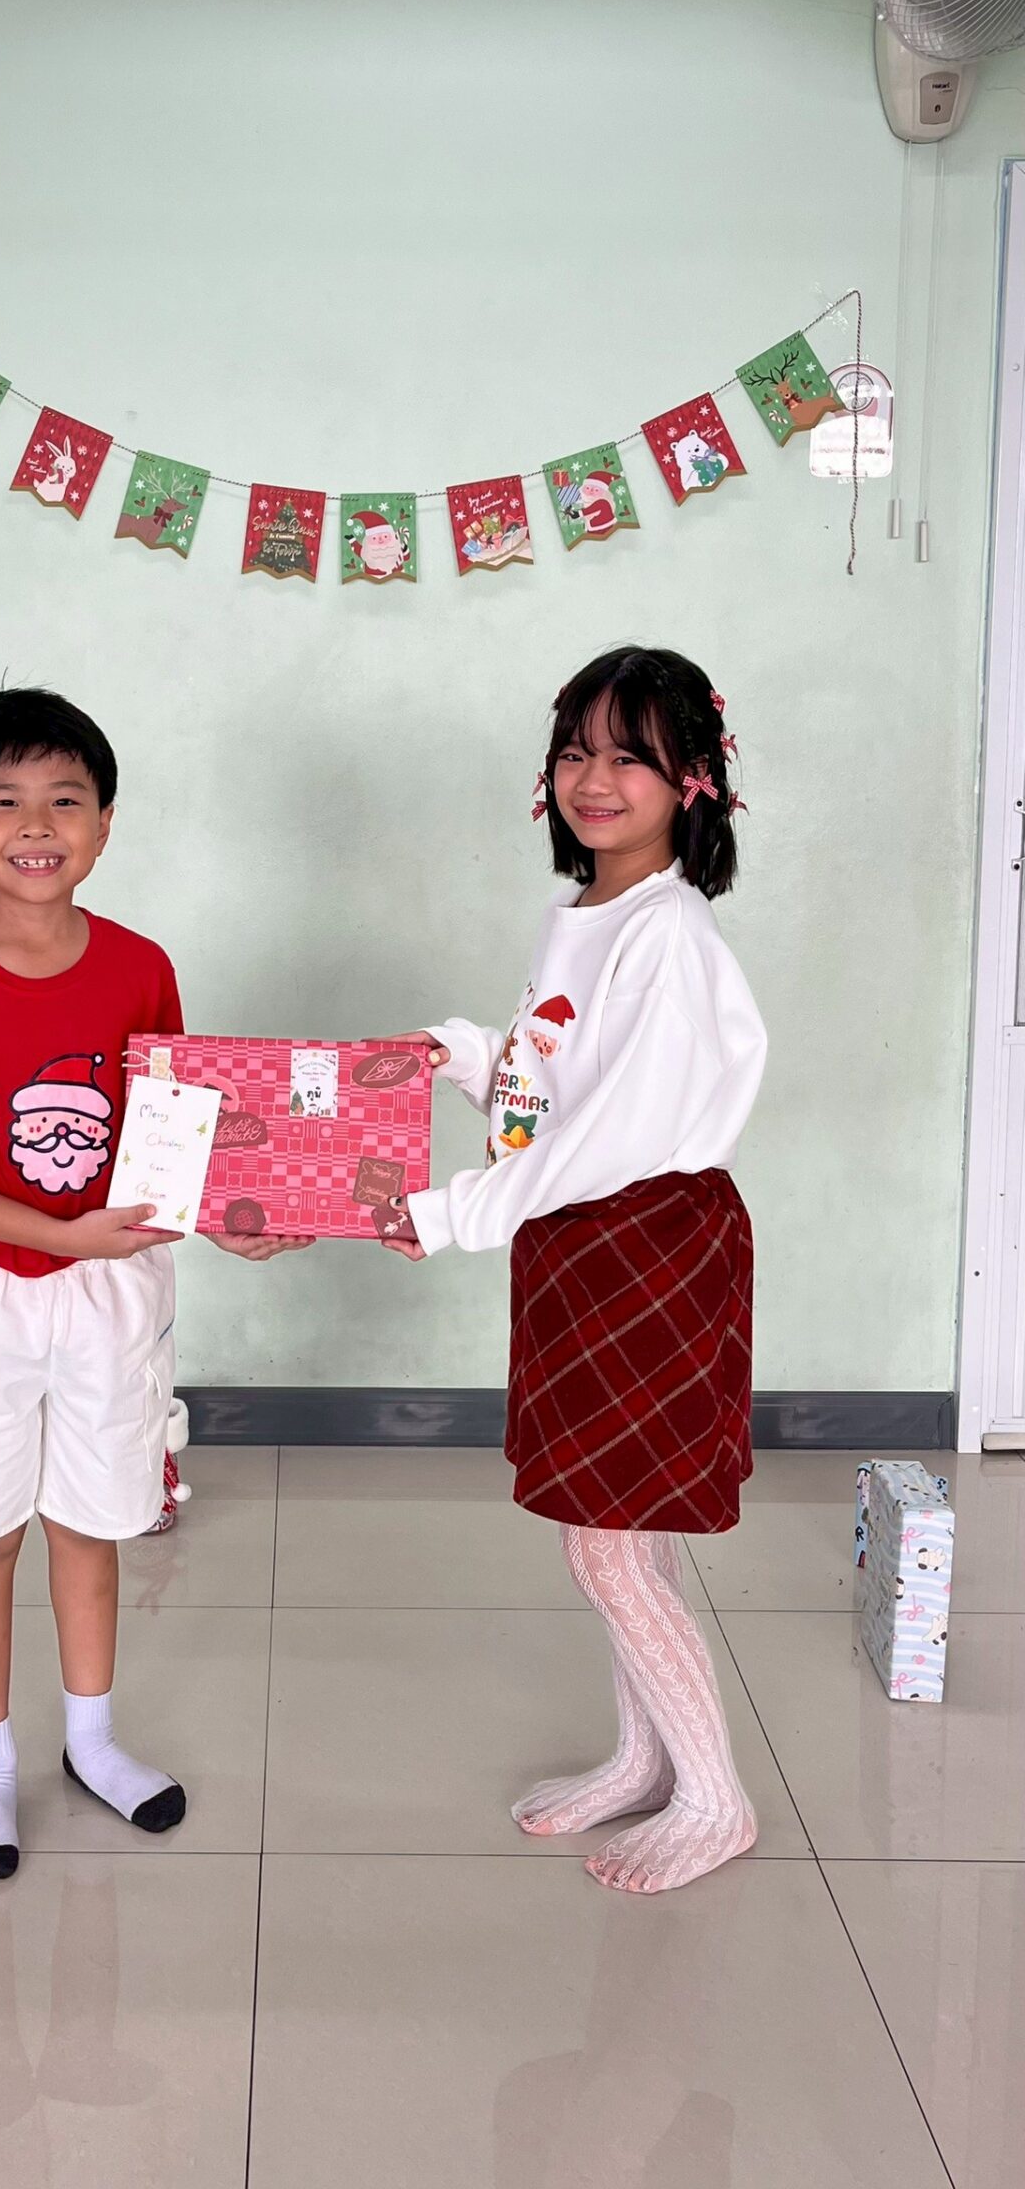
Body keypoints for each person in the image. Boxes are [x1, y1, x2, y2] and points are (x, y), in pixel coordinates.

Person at [0, 682, 307, 1880]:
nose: (37, 824)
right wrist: (58, 1236)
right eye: (4, 801)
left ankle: (92, 1744)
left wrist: (231, 1218)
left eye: (66, 799)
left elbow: (169, 1140)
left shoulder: (141, 967)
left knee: (93, 1522)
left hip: (112, 1294)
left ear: (104, 824)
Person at [386, 646, 767, 1895]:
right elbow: (558, 1083)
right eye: (574, 751)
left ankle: (714, 1798)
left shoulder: (669, 931)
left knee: (605, 1545)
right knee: (623, 1530)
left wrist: (446, 1214)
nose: (593, 779)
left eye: (629, 757)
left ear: (694, 778)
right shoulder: (594, 911)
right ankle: (641, 1760)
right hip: (581, 1240)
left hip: (645, 1241)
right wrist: (457, 1054)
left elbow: (612, 1137)